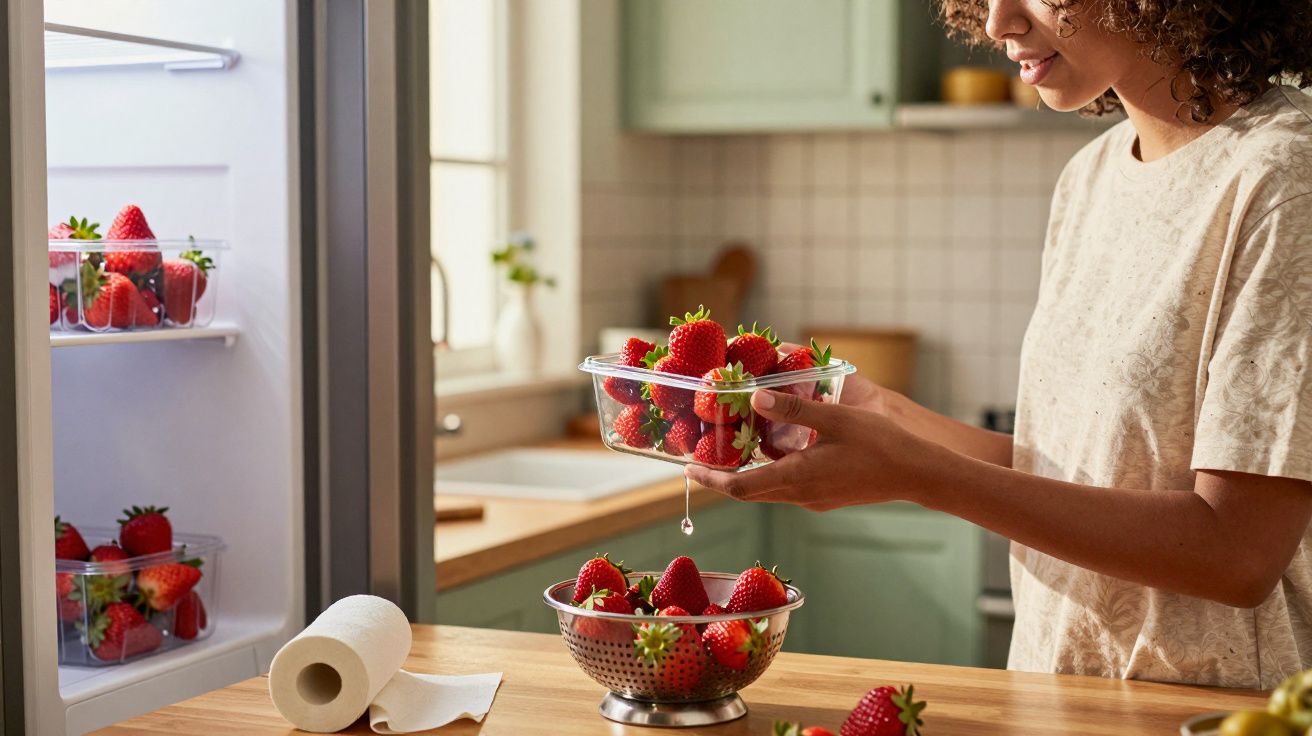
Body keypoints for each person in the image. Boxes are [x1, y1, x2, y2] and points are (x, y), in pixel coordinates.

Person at [685, 0, 1312, 689]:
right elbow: (1075, 472)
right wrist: (884, 413)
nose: (995, 22)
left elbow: (1238, 554)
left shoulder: (1286, 177)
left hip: (1212, 715)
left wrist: (921, 476)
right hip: (1052, 695)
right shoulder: (1092, 176)